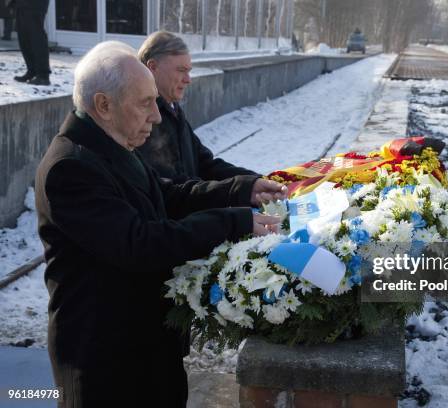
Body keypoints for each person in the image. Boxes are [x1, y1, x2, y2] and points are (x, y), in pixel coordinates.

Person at [35, 41, 280, 408]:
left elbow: (168, 195)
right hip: (106, 363)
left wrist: (241, 190)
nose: (156, 116)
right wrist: (231, 223)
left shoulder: (110, 146)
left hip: (145, 346)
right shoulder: (70, 167)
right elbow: (139, 243)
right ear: (103, 105)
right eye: (144, 103)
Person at [137, 31, 282, 203]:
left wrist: (256, 180)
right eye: (181, 70)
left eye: (189, 71)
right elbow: (174, 190)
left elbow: (205, 164)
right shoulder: (144, 120)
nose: (188, 80)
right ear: (152, 67)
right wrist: (241, 190)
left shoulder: (172, 108)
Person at [13, 0, 51, 85]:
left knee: (36, 38)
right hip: (22, 4)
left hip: (35, 5)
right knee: (24, 38)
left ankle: (43, 75)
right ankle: (32, 70)